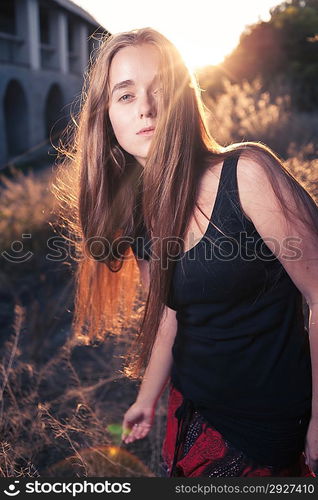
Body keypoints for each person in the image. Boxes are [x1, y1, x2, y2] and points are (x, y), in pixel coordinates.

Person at [53, 27, 318, 477]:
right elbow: (170, 315)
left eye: (161, 89)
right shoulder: (138, 210)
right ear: (106, 118)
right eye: (125, 95)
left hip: (268, 428)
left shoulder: (248, 174)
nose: (146, 108)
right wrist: (147, 398)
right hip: (192, 413)